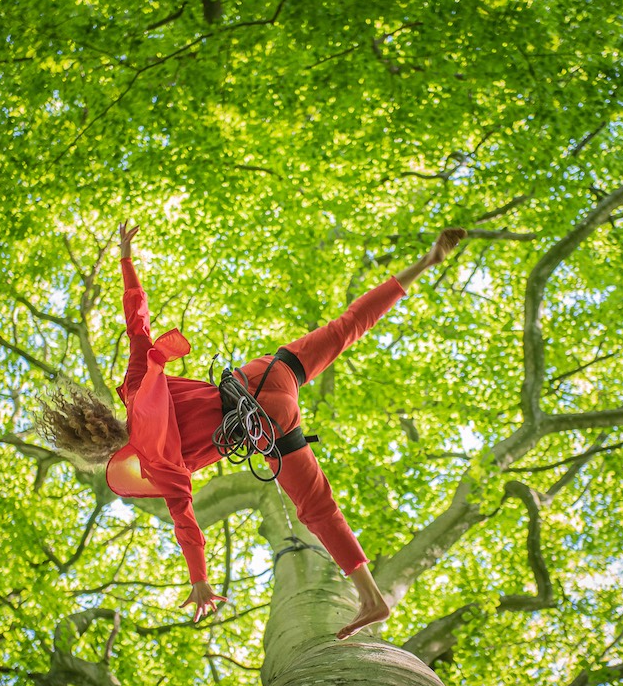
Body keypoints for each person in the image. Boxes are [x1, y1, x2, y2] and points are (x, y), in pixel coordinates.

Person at [39, 222, 466, 639]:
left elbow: (185, 523)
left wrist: (200, 579)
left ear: (105, 453)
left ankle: (371, 596)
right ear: (100, 415)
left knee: (317, 509)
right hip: (263, 377)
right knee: (346, 328)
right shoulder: (135, 387)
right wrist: (126, 260)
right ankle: (425, 263)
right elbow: (138, 321)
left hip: (268, 427)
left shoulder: (155, 463)